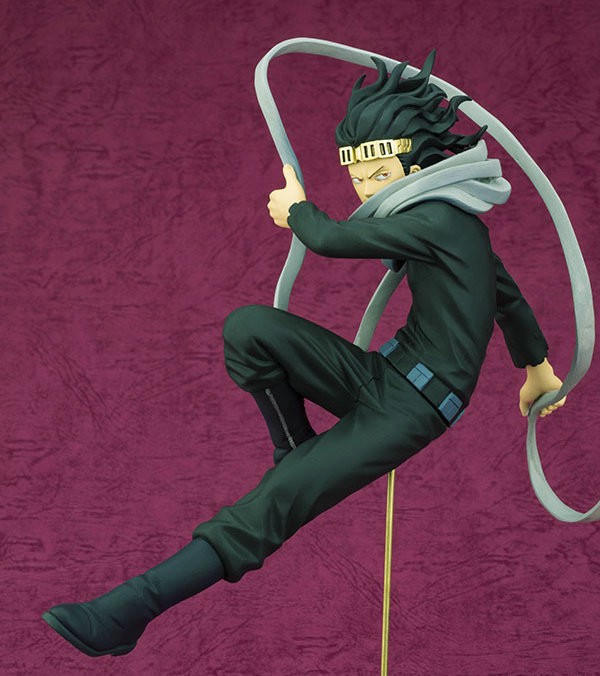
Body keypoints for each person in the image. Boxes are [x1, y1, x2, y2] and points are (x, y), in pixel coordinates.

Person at [42, 52, 566, 658]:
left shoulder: (440, 221)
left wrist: (296, 211)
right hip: (384, 373)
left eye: (379, 172)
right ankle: (295, 448)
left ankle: (128, 612)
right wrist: (538, 368)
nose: (367, 188)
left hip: (413, 408)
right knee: (251, 329)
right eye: (359, 177)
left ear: (416, 163)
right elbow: (509, 300)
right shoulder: (451, 228)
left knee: (271, 507)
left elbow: (331, 238)